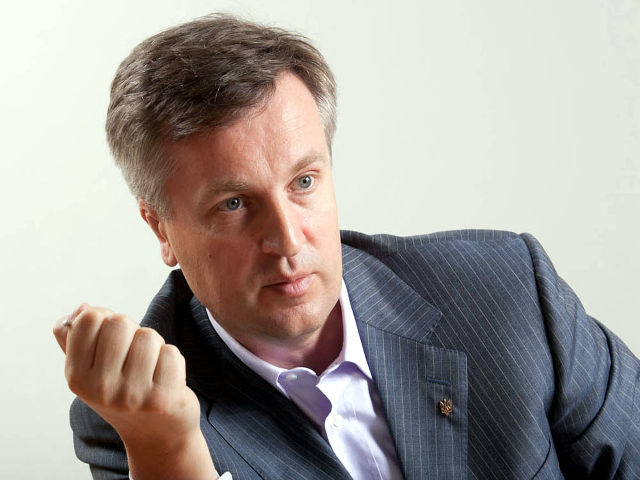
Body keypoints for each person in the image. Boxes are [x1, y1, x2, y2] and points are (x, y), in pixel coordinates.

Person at [53, 14, 640, 480]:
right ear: (161, 228)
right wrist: (169, 447)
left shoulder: (506, 292)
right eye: (233, 204)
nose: (288, 239)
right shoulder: (137, 416)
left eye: (304, 182)